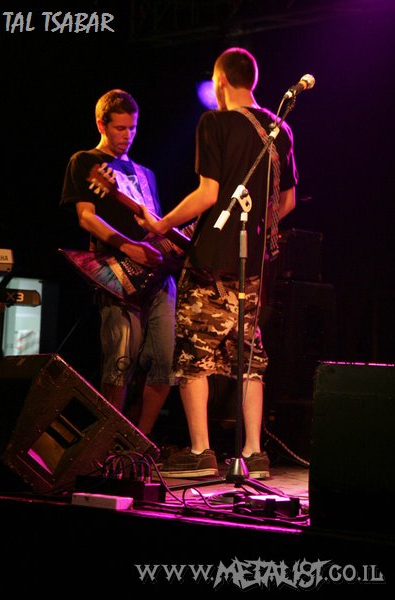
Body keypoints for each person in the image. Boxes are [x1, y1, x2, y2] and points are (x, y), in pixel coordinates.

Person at [135, 47, 298, 478]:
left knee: (192, 357)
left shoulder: (214, 122)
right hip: (253, 266)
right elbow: (287, 200)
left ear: (220, 81)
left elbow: (208, 194)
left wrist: (162, 224)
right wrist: (258, 228)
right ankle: (254, 454)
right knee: (248, 360)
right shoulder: (279, 129)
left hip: (209, 263)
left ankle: (200, 452)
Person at [60, 89, 177, 439]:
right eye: (120, 128)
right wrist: (129, 247)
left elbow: (155, 226)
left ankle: (138, 444)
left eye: (133, 128)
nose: (128, 135)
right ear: (101, 124)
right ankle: (107, 444)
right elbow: (86, 217)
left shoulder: (146, 174)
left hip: (158, 277)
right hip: (116, 273)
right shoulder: (85, 161)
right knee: (121, 360)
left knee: (165, 362)